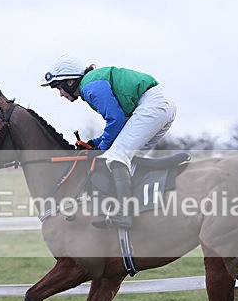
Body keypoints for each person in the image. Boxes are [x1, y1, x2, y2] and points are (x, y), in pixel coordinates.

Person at [41, 55, 176, 229]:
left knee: (116, 157)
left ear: (70, 81)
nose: (60, 94)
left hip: (152, 105)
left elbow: (116, 119)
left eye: (59, 87)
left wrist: (102, 147)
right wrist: (95, 142)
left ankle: (123, 214)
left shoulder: (89, 87)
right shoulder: (92, 83)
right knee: (128, 159)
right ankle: (139, 208)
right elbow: (121, 125)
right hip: (160, 105)